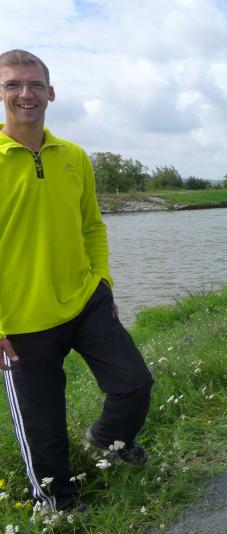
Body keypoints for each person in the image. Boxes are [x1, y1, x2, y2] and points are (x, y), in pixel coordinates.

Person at [0, 49, 153, 511]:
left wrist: (102, 281)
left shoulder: (74, 156)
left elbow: (92, 226)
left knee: (134, 383)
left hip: (86, 299)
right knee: (43, 423)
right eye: (13, 84)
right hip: (21, 319)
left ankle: (108, 438)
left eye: (34, 84)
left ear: (51, 92)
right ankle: (58, 504)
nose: (25, 93)